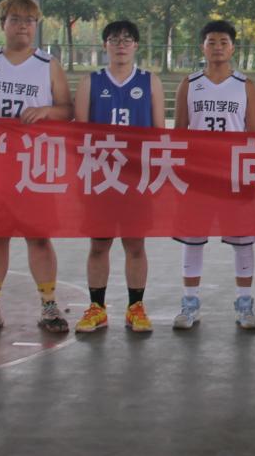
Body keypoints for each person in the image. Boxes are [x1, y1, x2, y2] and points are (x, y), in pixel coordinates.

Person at [0, 0, 74, 336]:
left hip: (34, 164)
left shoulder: (47, 64)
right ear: (3, 24)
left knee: (38, 236)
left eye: (29, 20)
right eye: (15, 19)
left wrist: (47, 111)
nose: (23, 26)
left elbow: (67, 110)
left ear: (36, 26)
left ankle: (49, 303)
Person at [73, 20, 164, 334]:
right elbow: (79, 133)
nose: (121, 44)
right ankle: (96, 308)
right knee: (99, 244)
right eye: (114, 39)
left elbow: (158, 133)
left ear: (136, 45)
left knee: (135, 244)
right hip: (101, 177)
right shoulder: (91, 82)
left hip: (136, 177)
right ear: (105, 45)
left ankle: (135, 307)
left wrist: (154, 174)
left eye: (127, 39)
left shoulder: (150, 81)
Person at [172, 20, 255, 330]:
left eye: (224, 42)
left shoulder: (245, 85)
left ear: (233, 47)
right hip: (198, 175)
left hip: (234, 175)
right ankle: (190, 303)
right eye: (211, 42)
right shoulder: (190, 83)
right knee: (193, 239)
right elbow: (180, 131)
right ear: (203, 47)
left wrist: (253, 176)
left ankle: (245, 303)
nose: (218, 47)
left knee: (243, 241)